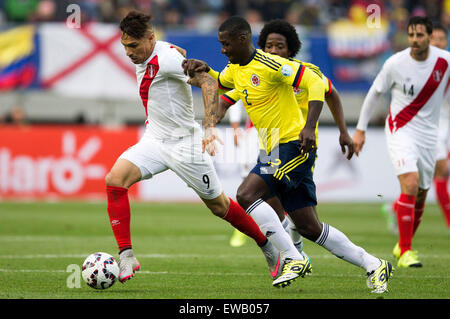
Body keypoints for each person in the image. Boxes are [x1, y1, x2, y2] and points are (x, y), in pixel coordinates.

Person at [183, 16, 392, 293]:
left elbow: (317, 85)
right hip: (272, 145)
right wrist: (205, 69)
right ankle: (374, 263)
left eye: (226, 44)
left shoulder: (272, 64)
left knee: (247, 194)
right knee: (308, 226)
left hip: (293, 144)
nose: (223, 50)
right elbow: (222, 82)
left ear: (242, 40)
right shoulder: (236, 68)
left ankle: (294, 258)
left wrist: (309, 126)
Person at [107, 10, 283, 286]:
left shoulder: (167, 59)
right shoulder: (149, 53)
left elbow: (208, 81)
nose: (128, 53)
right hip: (154, 139)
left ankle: (267, 246)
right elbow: (176, 54)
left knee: (219, 206)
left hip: (185, 144)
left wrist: (210, 126)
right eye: (124, 47)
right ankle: (126, 254)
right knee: (114, 181)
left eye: (133, 46)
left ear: (151, 39)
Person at [228, 20, 355, 257]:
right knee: (272, 204)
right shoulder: (262, 70)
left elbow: (331, 94)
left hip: (300, 145)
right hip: (270, 143)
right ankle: (296, 255)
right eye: (269, 46)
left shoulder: (307, 72)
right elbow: (234, 91)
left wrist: (343, 131)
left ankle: (295, 255)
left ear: (291, 49)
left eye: (280, 46)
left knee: (274, 203)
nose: (274, 51)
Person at [353, 16, 450, 268]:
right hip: (401, 130)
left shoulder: (445, 61)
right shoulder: (395, 63)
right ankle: (406, 250)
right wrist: (360, 130)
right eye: (411, 35)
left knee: (420, 194)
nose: (415, 40)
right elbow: (374, 93)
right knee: (410, 183)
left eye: (420, 35)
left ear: (430, 36)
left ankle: (402, 245)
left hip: (430, 136)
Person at [381, 24, 450, 235]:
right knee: (441, 172)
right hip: (430, 127)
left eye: (442, 39)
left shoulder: (445, 63)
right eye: (435, 38)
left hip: (446, 125)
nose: (438, 42)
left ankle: (395, 207)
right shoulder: (418, 65)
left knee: (423, 180)